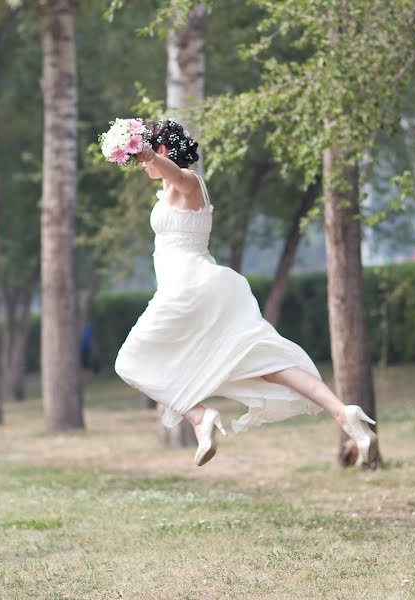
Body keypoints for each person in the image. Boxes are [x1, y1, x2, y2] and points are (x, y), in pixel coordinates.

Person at [113, 119, 378, 468]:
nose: (144, 166)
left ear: (161, 151)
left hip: (189, 287)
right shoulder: (167, 192)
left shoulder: (190, 183)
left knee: (129, 362)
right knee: (266, 363)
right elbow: (167, 180)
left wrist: (147, 153)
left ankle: (198, 417)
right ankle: (345, 414)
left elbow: (176, 175)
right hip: (193, 288)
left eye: (149, 157)